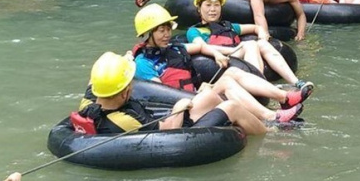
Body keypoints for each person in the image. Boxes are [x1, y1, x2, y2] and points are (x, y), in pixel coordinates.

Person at [132, 4, 306, 124]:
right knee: (227, 82)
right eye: (161, 31)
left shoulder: (174, 47)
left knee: (232, 73)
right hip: (180, 107)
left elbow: (200, 46)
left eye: (168, 29)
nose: (167, 34)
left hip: (194, 96)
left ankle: (285, 98)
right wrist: (200, 93)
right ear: (148, 33)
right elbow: (161, 96)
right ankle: (271, 116)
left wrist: (217, 53)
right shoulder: (144, 62)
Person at [72, 51, 270, 136]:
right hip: (178, 132)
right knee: (231, 107)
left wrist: (123, 60)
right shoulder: (125, 120)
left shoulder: (90, 100)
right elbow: (167, 134)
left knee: (210, 95)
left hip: (165, 121)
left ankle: (260, 119)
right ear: (124, 93)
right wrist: (178, 107)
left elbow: (96, 77)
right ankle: (269, 134)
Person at [185, 0, 312, 89]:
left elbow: (255, 27)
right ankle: (263, 86)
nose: (212, 9)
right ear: (199, 9)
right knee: (250, 45)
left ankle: (296, 82)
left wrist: (262, 34)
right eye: (208, 5)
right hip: (218, 60)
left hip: (237, 55)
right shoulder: (194, 31)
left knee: (260, 43)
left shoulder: (229, 26)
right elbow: (201, 47)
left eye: (216, 5)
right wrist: (238, 48)